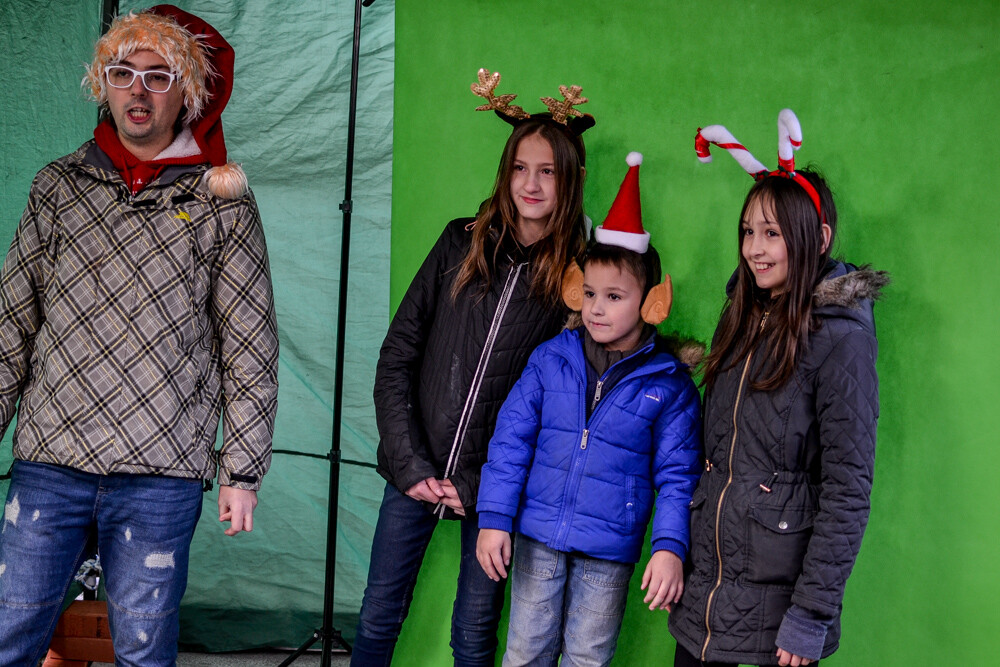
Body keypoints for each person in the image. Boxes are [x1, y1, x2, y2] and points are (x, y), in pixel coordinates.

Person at [0, 6, 277, 665]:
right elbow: (11, 322)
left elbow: (249, 345)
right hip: (50, 460)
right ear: (103, 82)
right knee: (10, 640)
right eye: (123, 73)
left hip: (161, 470)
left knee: (144, 652)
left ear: (189, 90)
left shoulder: (221, 202)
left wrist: (241, 469)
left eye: (159, 75)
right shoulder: (58, 187)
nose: (138, 90)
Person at [352, 70, 593, 666]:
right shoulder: (459, 242)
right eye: (520, 168)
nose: (530, 184)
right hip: (415, 468)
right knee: (379, 614)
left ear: (570, 181)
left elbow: (561, 406)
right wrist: (410, 466)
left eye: (548, 171)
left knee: (475, 634)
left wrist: (480, 486)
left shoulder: (574, 277)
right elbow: (397, 357)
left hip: (493, 488)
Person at [669, 110, 888, 667]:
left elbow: (846, 490)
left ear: (817, 238)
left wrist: (810, 616)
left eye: (772, 233)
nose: (754, 249)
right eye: (748, 231)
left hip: (783, 604)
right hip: (709, 589)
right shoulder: (741, 312)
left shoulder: (841, 341)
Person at [476, 152, 702, 667]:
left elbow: (678, 476)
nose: (598, 307)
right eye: (592, 293)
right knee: (526, 651)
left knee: (586, 657)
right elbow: (511, 441)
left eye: (616, 296)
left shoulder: (668, 386)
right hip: (538, 539)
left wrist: (669, 546)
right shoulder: (550, 359)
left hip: (608, 551)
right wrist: (495, 517)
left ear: (650, 304)